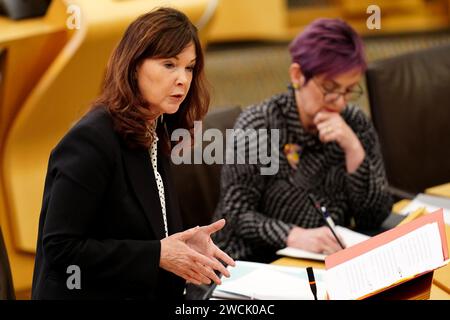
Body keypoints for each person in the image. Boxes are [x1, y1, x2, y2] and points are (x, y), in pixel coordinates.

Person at [31, 7, 234, 300]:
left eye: (189, 68)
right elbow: (61, 248)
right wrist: (158, 253)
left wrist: (181, 248)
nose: (183, 79)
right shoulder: (91, 139)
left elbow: (139, 231)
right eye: (169, 65)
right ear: (135, 65)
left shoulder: (156, 127)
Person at [213, 18, 393, 263]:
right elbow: (236, 213)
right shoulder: (260, 124)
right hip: (255, 263)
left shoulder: (354, 123)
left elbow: (375, 215)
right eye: (330, 88)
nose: (340, 102)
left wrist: (353, 149)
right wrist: (293, 235)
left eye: (349, 90)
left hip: (323, 261)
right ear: (298, 75)